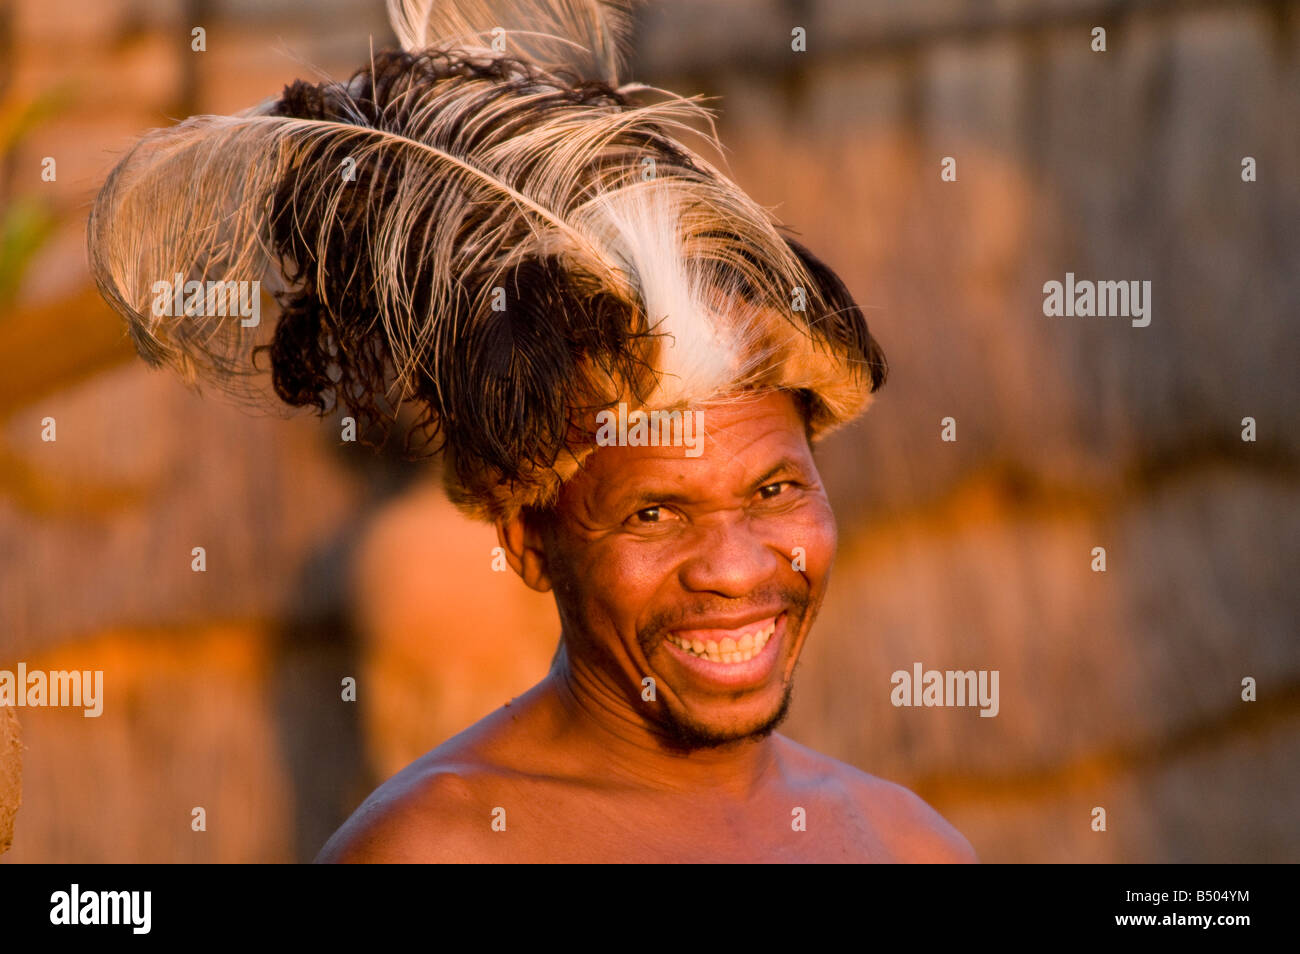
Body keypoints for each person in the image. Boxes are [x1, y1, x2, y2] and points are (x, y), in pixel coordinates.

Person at [88, 0, 975, 863]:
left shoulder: (907, 844)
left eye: (774, 490)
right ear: (528, 542)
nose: (737, 567)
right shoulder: (438, 849)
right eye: (654, 516)